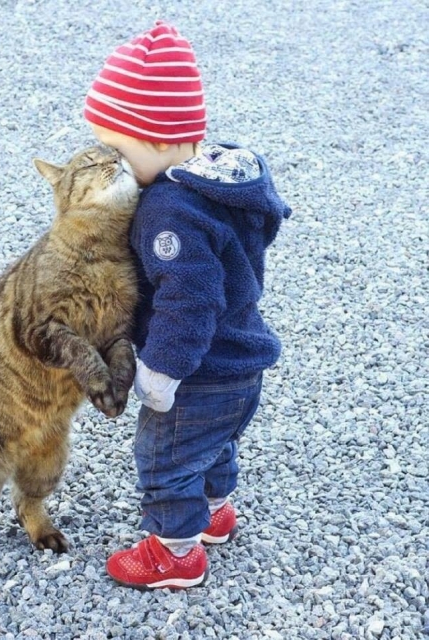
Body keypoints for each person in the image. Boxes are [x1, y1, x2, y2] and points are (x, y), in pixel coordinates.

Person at [84, 20, 291, 589]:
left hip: (197, 373)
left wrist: (161, 370)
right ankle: (215, 514)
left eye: (117, 150)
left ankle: (176, 554)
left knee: (165, 456)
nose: (111, 161)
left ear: (154, 140)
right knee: (214, 444)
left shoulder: (168, 211)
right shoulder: (223, 180)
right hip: (242, 361)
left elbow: (189, 299)